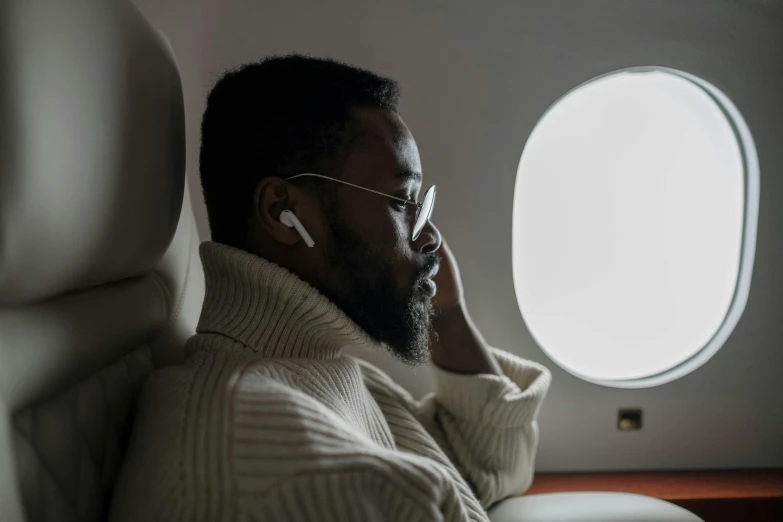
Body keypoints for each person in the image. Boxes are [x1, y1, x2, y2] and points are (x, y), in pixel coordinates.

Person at [109, 54, 551, 522]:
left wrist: (448, 309)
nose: (431, 236)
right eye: (402, 201)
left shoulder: (327, 367)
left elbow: (487, 467)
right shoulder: (292, 469)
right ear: (283, 211)